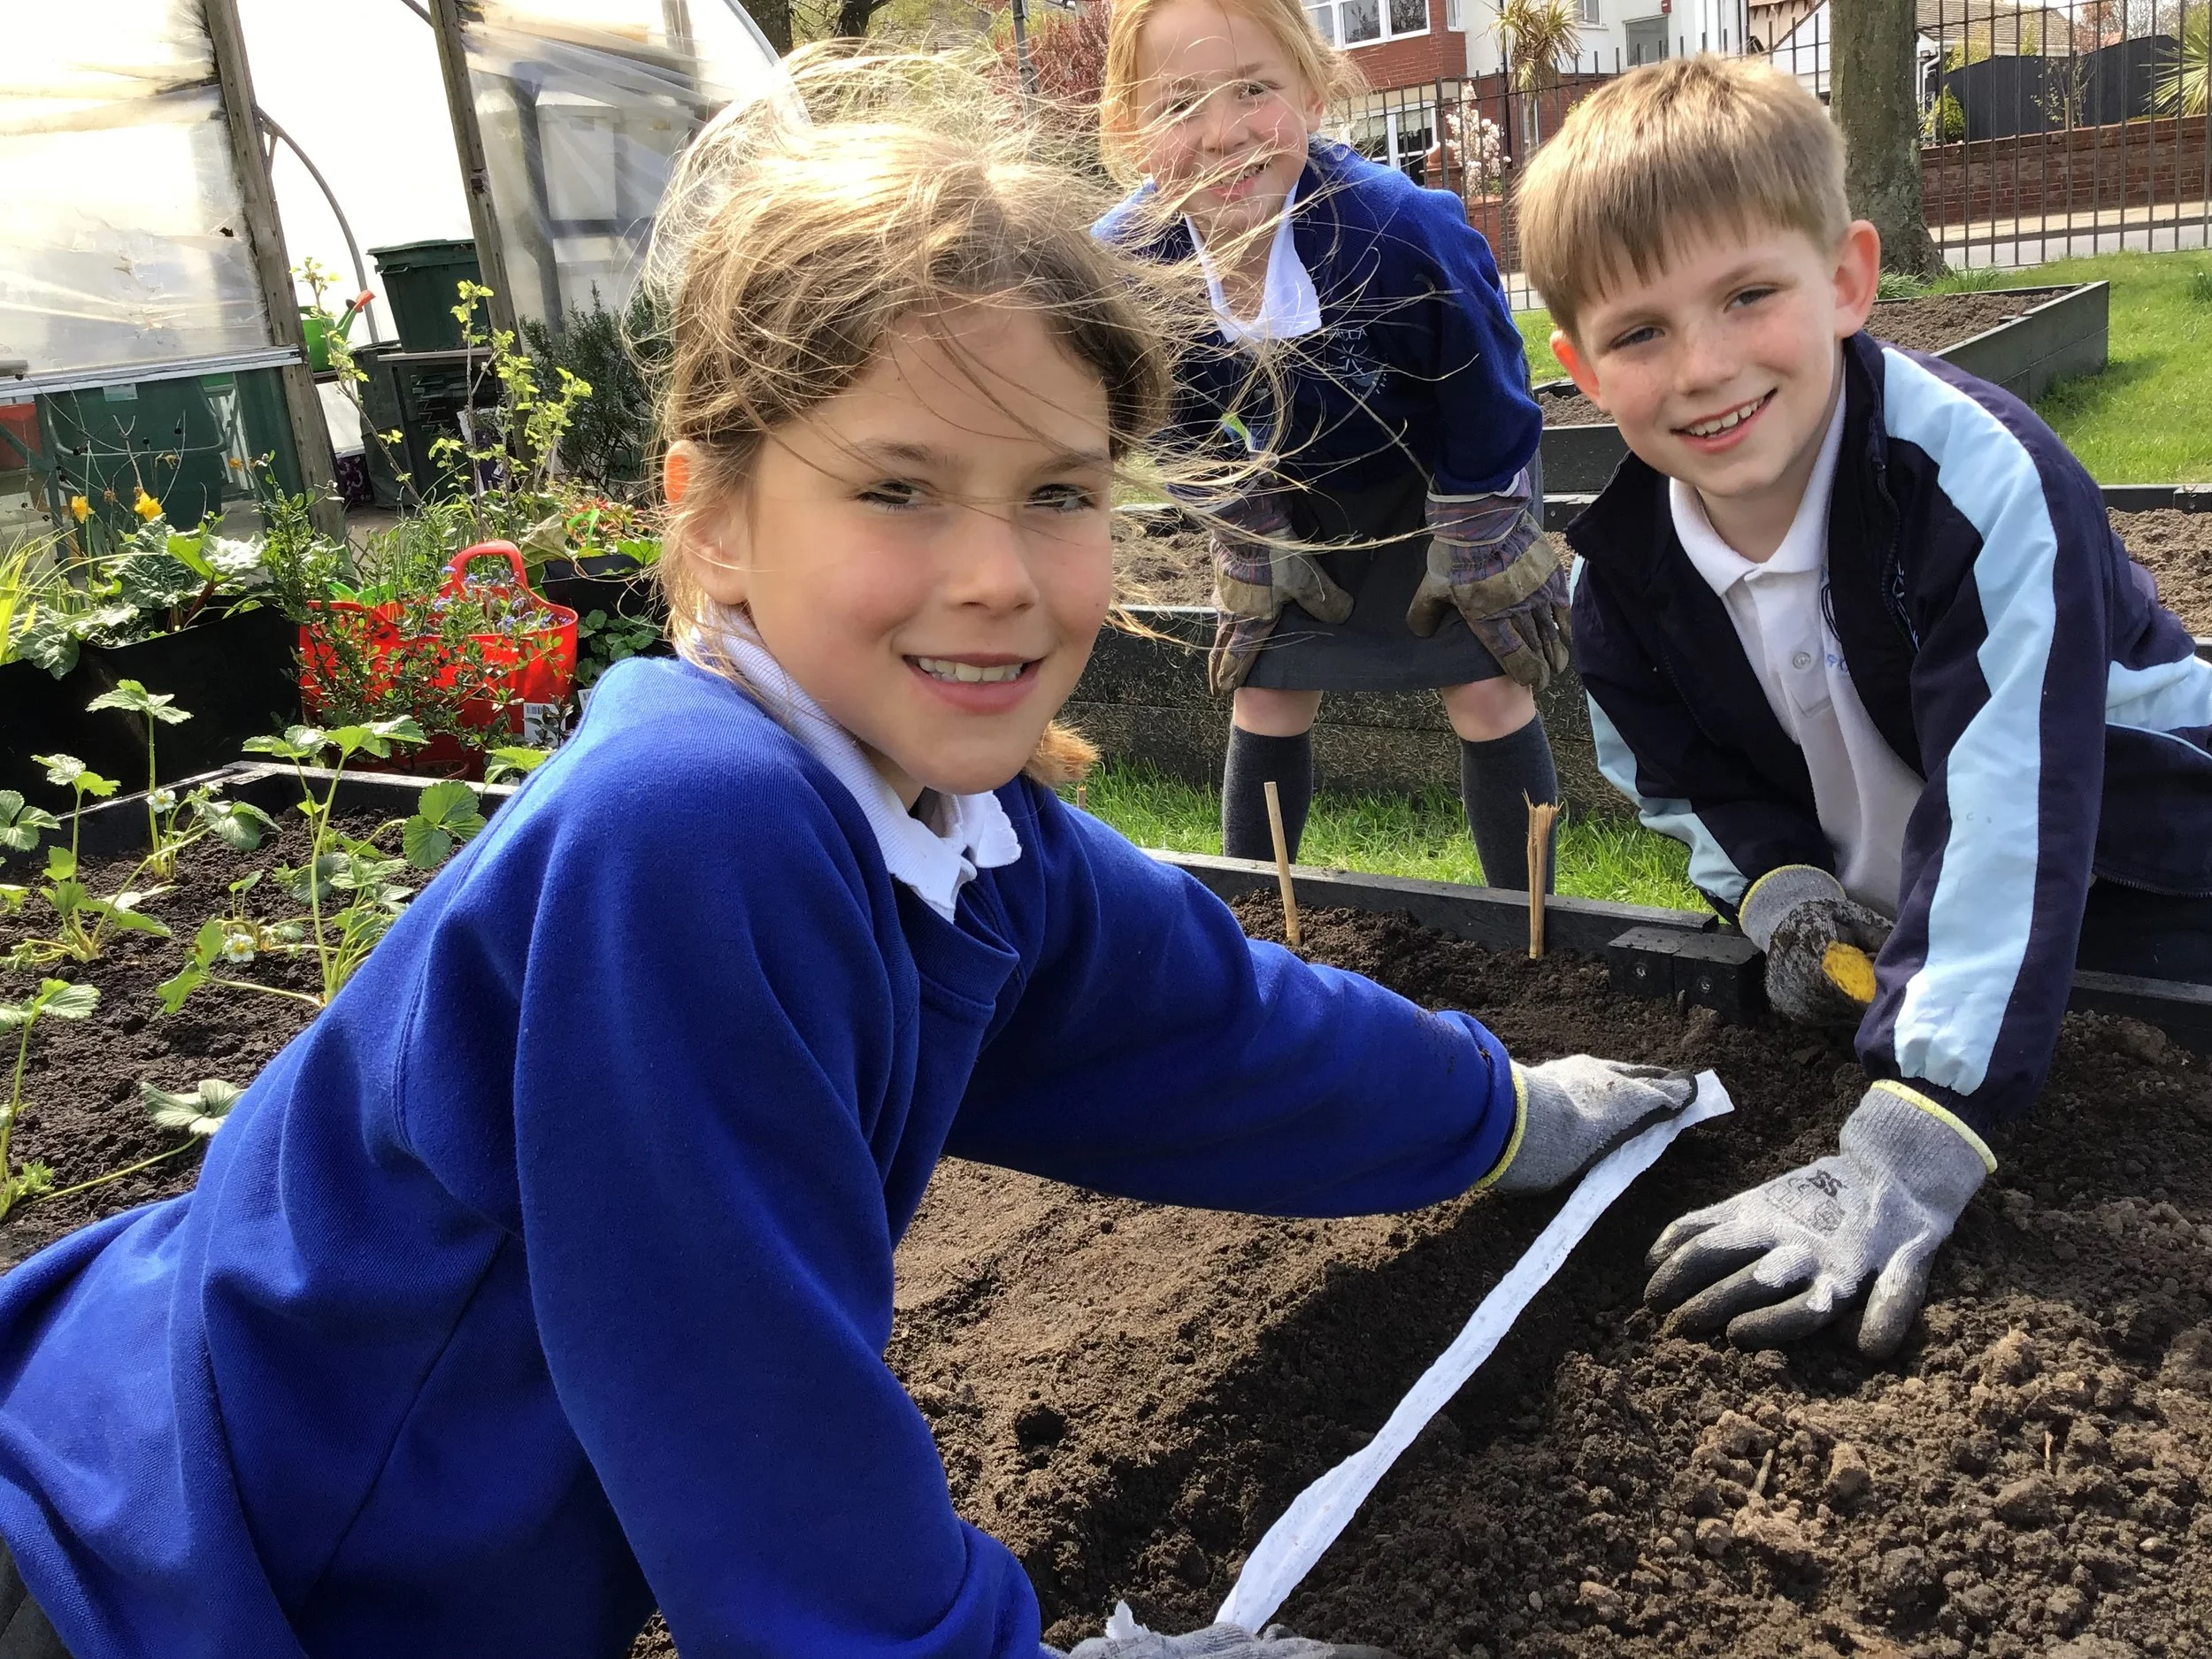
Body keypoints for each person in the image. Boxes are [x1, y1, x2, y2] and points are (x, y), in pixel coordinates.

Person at [0, 54, 1697, 1659]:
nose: (998, 577)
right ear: (716, 517)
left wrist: (1507, 1114)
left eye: (1056, 493)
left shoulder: (960, 826)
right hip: (134, 1573)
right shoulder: (695, 830)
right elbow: (743, 1407)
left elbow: (1217, 1026)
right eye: (897, 489)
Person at [1516, 54, 2212, 1361]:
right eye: (1641, 332)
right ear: (1581, 367)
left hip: (2150, 868)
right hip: (1934, 923)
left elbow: (2013, 813)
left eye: (1748, 296)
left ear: (1847, 278)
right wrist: (1781, 892)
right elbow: (1676, 780)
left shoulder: (1983, 487)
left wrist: (1912, 1138)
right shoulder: (1621, 583)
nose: (1705, 367)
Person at [1094, 0, 1569, 888]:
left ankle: (1528, 924)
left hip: (1449, 475)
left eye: (1253, 89)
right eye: (1178, 105)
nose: (1222, 133)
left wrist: (1477, 522)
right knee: (1267, 691)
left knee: (1486, 686)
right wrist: (1238, 514)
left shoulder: (1401, 228)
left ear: (1311, 95)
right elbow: (1159, 414)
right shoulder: (1126, 263)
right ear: (1128, 128)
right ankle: (1255, 925)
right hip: (1286, 497)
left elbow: (1489, 379)